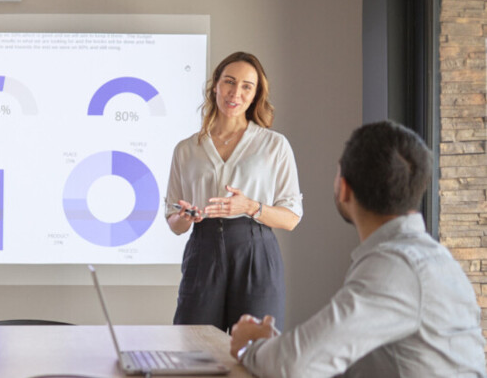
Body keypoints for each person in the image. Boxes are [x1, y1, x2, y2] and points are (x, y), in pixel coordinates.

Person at [229, 120, 486, 377]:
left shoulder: (395, 267)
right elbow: (329, 357)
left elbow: (296, 366)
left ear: (344, 188)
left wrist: (250, 347)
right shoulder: (436, 259)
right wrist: (277, 347)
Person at [165, 51, 303, 332]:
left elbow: (291, 218)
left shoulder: (274, 145)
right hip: (203, 249)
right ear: (215, 85)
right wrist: (186, 217)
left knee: (257, 353)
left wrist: (250, 207)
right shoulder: (186, 149)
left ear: (255, 95)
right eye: (229, 82)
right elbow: (174, 223)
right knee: (193, 347)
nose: (235, 93)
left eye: (246, 86)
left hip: (255, 251)